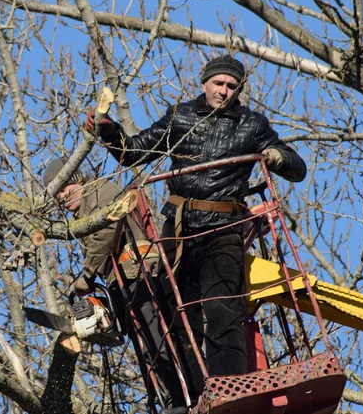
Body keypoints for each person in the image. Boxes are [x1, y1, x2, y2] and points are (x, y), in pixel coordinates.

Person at [85, 55, 307, 413]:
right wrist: (110, 133)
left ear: (238, 91)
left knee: (222, 311)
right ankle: (192, 395)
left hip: (224, 229)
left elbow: (298, 167)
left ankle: (229, 393)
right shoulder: (181, 116)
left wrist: (276, 155)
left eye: (231, 86)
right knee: (176, 315)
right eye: (218, 83)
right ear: (204, 83)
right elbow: (134, 152)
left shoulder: (252, 124)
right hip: (180, 231)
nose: (224, 91)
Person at [43, 158, 180, 409]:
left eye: (63, 188)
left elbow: (107, 230)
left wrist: (86, 276)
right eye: (56, 193)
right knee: (144, 349)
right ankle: (167, 399)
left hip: (138, 274)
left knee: (156, 338)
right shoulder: (82, 211)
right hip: (121, 281)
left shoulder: (100, 190)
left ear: (77, 180)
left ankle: (179, 394)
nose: (61, 196)